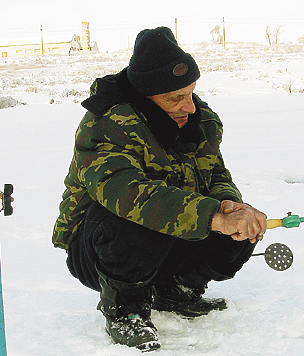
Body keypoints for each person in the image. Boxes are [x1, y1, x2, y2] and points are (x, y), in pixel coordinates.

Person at [52, 27, 267, 351]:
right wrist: (211, 216)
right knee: (139, 214)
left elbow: (215, 173)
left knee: (239, 227)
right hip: (98, 247)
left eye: (191, 93)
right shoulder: (105, 123)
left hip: (166, 240)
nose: (189, 106)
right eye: (175, 98)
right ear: (145, 95)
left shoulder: (198, 120)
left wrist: (228, 206)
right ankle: (125, 309)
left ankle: (176, 291)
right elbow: (126, 192)